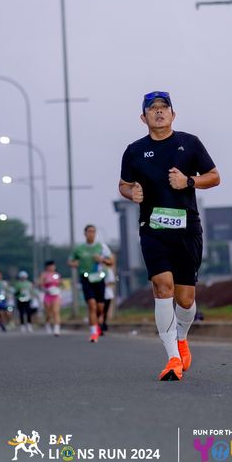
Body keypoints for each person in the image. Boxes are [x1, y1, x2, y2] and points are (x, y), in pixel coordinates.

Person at [119, 90, 220, 381]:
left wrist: (189, 181)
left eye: (164, 107)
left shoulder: (190, 143)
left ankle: (182, 338)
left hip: (187, 228)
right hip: (153, 229)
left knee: (185, 299)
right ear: (143, 117)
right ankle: (172, 358)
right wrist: (131, 193)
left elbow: (214, 176)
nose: (159, 112)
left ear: (173, 114)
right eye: (153, 108)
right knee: (163, 287)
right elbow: (123, 184)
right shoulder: (134, 150)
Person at [69, 225, 114, 343]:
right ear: (85, 233)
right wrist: (74, 264)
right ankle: (94, 333)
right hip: (86, 278)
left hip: (99, 278)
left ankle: (97, 322)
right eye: (89, 231)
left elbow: (111, 262)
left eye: (93, 232)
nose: (91, 234)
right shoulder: (79, 248)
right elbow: (70, 261)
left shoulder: (102, 247)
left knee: (100, 307)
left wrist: (102, 260)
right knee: (92, 305)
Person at [38, 261, 61, 336]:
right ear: (47, 267)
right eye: (50, 266)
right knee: (48, 313)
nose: (52, 267)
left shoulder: (57, 275)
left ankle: (56, 329)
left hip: (56, 295)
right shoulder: (44, 275)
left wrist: (58, 287)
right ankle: (47, 324)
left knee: (56, 311)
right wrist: (45, 289)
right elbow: (40, 284)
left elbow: (60, 283)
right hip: (47, 295)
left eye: (53, 266)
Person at [100, 260, 116, 333]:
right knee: (100, 309)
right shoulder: (97, 269)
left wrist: (104, 284)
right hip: (99, 292)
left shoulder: (109, 271)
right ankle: (100, 324)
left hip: (107, 293)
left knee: (105, 310)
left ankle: (103, 323)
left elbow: (112, 282)